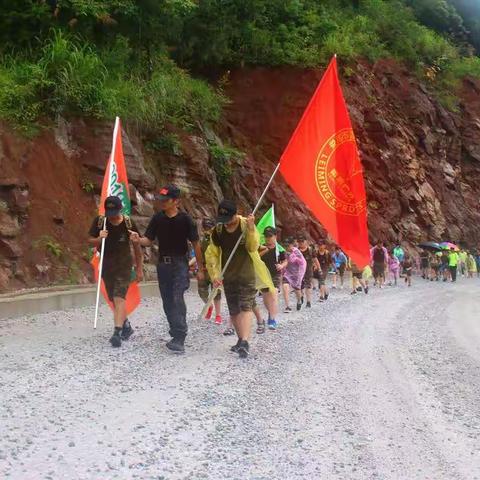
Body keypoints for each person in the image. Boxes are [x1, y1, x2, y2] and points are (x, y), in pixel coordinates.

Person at [130, 184, 204, 354]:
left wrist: (200, 269)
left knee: (178, 296)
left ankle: (180, 336)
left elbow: (196, 244)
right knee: (167, 300)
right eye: (161, 199)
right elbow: (148, 240)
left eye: (166, 200)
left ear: (176, 201)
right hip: (163, 264)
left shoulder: (186, 220)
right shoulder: (157, 218)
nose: (162, 202)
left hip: (180, 264)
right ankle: (175, 330)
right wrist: (137, 240)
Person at [205, 200, 274, 358]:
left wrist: (250, 229)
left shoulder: (245, 225)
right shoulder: (219, 229)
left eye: (229, 218)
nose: (226, 222)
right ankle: (240, 340)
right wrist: (214, 275)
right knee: (234, 310)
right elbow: (212, 254)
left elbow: (252, 247)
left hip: (246, 274)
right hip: (228, 275)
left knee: (246, 307)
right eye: (223, 219)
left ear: (236, 214)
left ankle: (245, 341)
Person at [88, 196, 144, 348]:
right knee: (114, 299)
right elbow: (89, 241)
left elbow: (137, 246)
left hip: (124, 266)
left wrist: (139, 268)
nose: (111, 215)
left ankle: (116, 333)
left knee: (119, 297)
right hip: (107, 267)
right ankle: (126, 326)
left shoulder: (128, 223)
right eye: (109, 212)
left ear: (120, 209)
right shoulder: (100, 222)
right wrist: (99, 239)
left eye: (114, 212)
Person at [258, 226, 286, 330]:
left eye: (270, 236)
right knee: (265, 297)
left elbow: (285, 260)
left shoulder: (279, 249)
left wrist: (282, 266)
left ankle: (273, 319)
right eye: (266, 236)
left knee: (273, 293)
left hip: (275, 274)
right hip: (263, 275)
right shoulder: (261, 247)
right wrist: (265, 250)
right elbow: (255, 257)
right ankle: (270, 313)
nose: (268, 238)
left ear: (275, 236)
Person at [197, 218, 223, 325]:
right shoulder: (202, 240)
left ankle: (218, 315)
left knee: (216, 293)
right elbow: (199, 255)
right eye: (206, 228)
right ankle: (209, 306)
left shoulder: (219, 239)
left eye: (210, 227)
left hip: (216, 270)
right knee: (202, 291)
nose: (208, 230)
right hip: (204, 269)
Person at [281, 237, 307, 312]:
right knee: (285, 286)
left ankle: (299, 300)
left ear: (292, 245)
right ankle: (287, 306)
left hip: (297, 272)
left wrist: (295, 259)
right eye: (285, 246)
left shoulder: (296, 251)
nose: (286, 247)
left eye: (288, 245)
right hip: (288, 272)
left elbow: (302, 263)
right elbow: (283, 261)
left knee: (296, 289)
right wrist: (282, 269)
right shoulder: (284, 252)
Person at [297, 234, 316, 307]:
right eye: (299, 242)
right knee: (300, 285)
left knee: (308, 285)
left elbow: (315, 259)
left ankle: (308, 302)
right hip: (299, 271)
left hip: (308, 270)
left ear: (306, 241)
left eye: (302, 241)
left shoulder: (310, 250)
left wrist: (319, 268)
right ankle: (301, 296)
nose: (301, 243)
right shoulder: (297, 251)